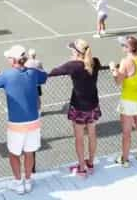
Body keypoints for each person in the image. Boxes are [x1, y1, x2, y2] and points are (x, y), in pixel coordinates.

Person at [0, 45, 47, 195]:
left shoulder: (6, 75)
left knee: (14, 154)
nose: (7, 59)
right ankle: (28, 181)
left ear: (14, 60)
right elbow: (44, 76)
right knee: (29, 152)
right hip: (34, 122)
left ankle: (18, 183)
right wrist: (33, 63)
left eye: (9, 57)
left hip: (16, 124)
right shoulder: (33, 72)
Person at [49, 39, 101, 177]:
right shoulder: (95, 61)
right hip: (93, 105)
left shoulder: (74, 65)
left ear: (77, 52)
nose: (71, 51)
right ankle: (90, 163)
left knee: (79, 139)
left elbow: (53, 71)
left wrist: (71, 61)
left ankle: (82, 169)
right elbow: (88, 64)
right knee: (92, 135)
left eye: (73, 49)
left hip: (79, 107)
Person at [110, 36, 137, 167]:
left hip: (128, 101)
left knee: (126, 132)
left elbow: (118, 81)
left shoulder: (125, 61)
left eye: (123, 45)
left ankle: (125, 159)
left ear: (128, 48)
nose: (121, 47)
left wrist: (113, 69)